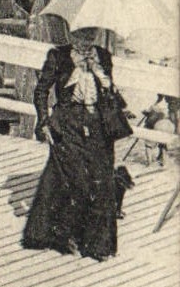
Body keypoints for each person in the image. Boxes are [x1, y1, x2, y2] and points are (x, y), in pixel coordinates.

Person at [22, 31, 128, 261]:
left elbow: (110, 93)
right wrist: (44, 121)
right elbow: (41, 91)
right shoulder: (58, 56)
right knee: (75, 179)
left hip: (98, 124)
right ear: (72, 36)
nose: (86, 42)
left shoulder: (103, 56)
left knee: (101, 181)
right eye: (81, 37)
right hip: (68, 123)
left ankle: (97, 245)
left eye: (90, 36)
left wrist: (102, 78)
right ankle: (65, 235)